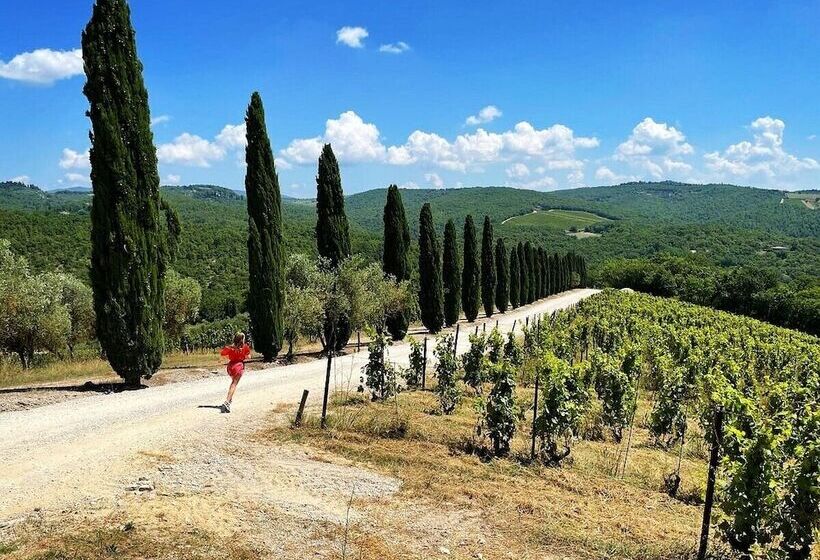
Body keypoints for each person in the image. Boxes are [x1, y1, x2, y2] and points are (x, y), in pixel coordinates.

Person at [219, 332, 251, 413]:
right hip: (238, 366)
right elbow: (249, 357)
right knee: (234, 384)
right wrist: (243, 356)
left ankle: (229, 400)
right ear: (242, 339)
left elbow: (222, 354)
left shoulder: (230, 347)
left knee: (233, 383)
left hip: (230, 366)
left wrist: (231, 355)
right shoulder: (245, 347)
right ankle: (227, 402)